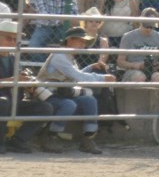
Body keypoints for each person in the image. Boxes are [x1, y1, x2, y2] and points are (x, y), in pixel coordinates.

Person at [36, 26, 115, 154]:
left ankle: (87, 139)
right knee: (69, 104)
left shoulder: (69, 56)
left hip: (62, 93)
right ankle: (49, 136)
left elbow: (74, 76)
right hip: (49, 95)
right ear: (69, 40)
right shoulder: (60, 55)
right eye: (80, 41)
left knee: (89, 100)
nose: (83, 45)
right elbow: (77, 76)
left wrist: (90, 67)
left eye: (84, 42)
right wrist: (103, 78)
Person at [0, 20, 54, 154]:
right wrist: (15, 80)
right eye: (8, 38)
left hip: (13, 102)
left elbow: (18, 79)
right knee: (3, 103)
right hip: (3, 103)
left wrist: (28, 85)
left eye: (15, 39)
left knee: (45, 108)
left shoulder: (14, 57)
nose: (13, 42)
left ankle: (18, 141)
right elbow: (13, 80)